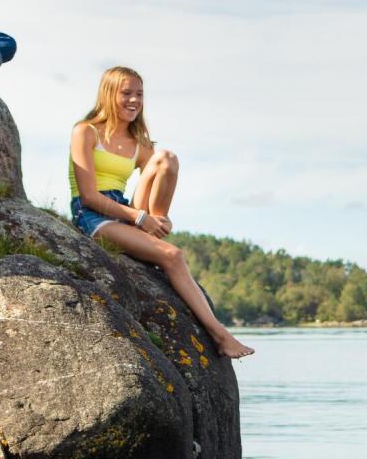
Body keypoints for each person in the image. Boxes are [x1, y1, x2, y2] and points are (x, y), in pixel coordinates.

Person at [68, 66, 253, 359]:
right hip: (93, 214)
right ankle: (221, 335)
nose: (134, 100)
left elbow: (156, 177)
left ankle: (154, 231)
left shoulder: (137, 144)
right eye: (126, 93)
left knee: (166, 158)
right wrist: (139, 218)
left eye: (139, 94)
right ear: (108, 94)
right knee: (173, 256)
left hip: (126, 207)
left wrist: (156, 218)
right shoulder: (86, 131)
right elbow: (89, 196)